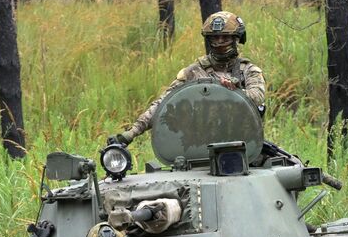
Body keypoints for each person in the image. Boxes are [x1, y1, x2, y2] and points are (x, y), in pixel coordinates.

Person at [113, 11, 266, 146]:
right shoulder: (194, 72)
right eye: (215, 37)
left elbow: (258, 96)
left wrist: (236, 91)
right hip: (196, 146)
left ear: (236, 39)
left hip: (242, 145)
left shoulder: (248, 71)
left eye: (225, 37)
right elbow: (163, 102)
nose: (219, 42)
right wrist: (132, 132)